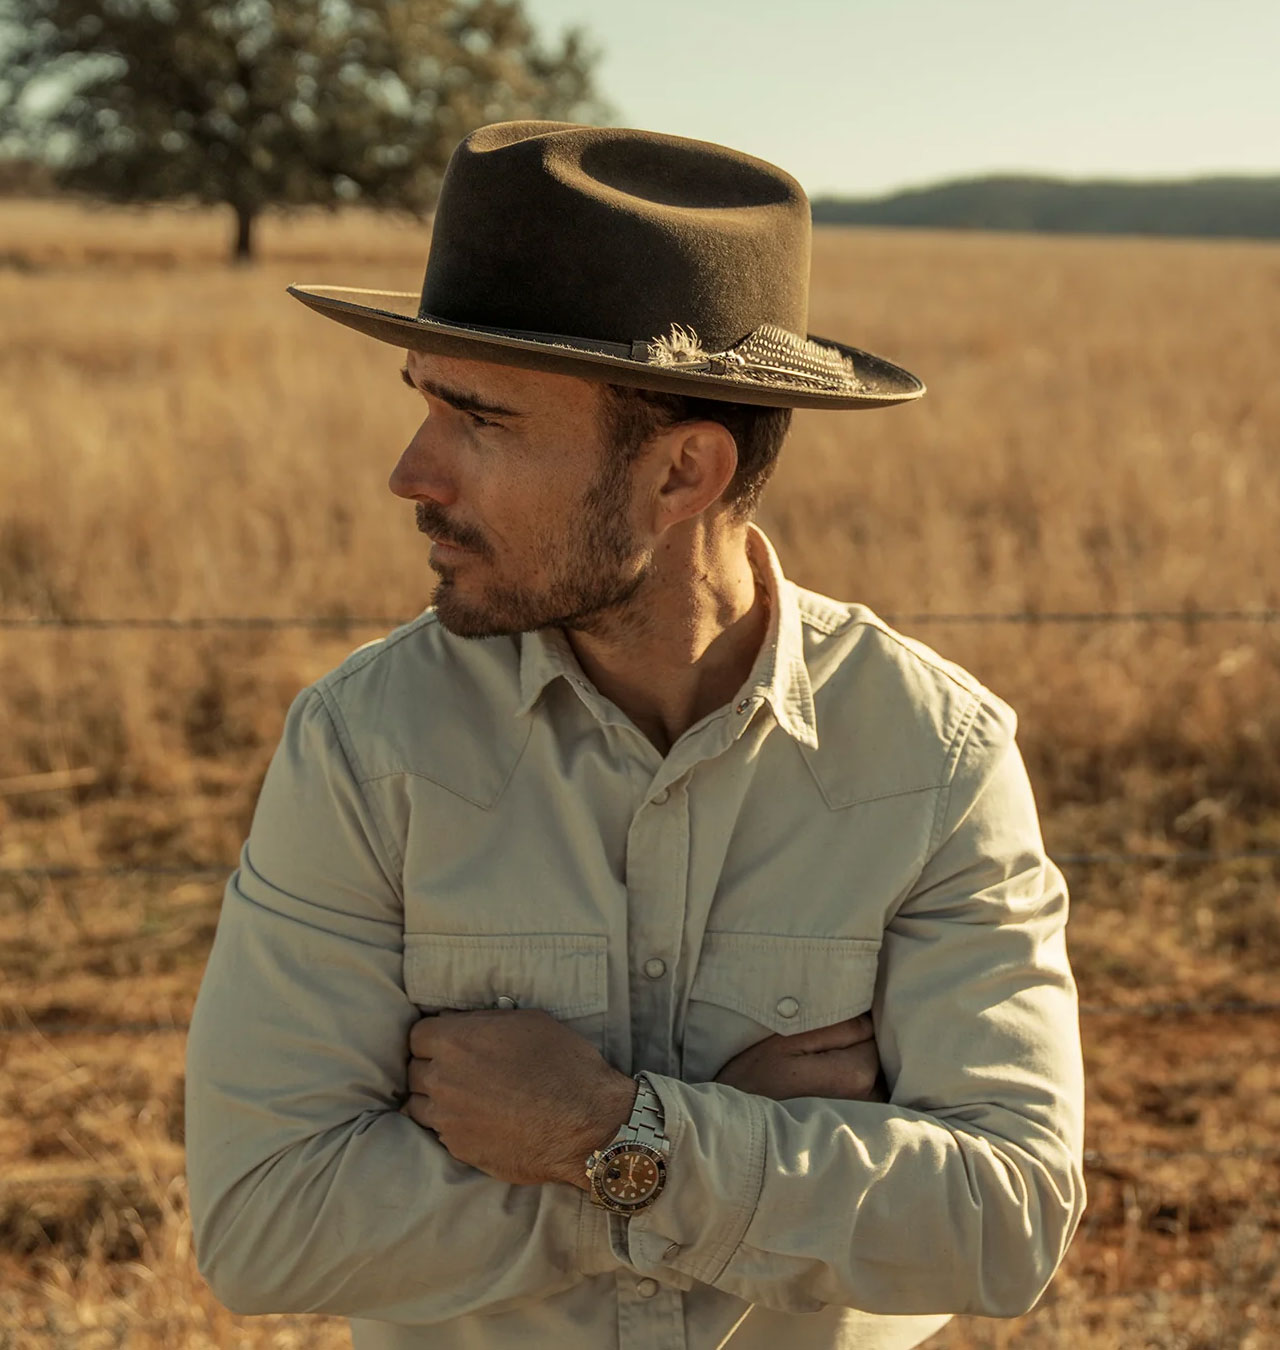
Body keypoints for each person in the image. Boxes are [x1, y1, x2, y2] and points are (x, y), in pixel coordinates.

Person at [185, 121, 1085, 1350]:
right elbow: (265, 1226)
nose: (412, 472)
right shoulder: (367, 745)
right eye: (424, 407)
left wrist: (608, 1136)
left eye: (483, 421)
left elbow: (1004, 1223)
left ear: (680, 475)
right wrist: (692, 1153)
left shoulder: (929, 756)